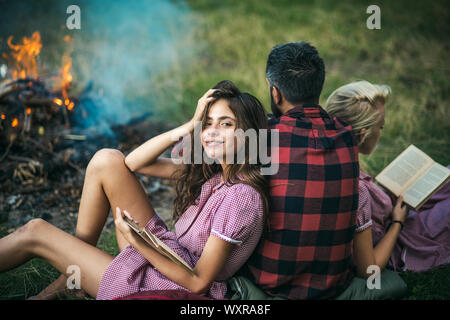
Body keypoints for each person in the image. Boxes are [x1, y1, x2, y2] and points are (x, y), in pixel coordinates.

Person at [0, 80, 270, 300]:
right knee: (107, 160)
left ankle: (76, 273)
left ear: (248, 134)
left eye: (226, 124)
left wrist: (141, 244)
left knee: (35, 231)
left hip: (168, 286)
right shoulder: (215, 172)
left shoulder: (241, 198)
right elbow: (134, 163)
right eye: (207, 123)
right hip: (165, 253)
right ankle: (71, 277)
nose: (211, 131)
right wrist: (188, 126)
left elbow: (198, 283)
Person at [239, 42, 360, 300]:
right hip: (333, 285)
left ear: (275, 93)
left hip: (269, 284)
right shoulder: (348, 135)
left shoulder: (262, 139)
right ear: (318, 86)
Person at [324, 81, 449, 296]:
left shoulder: (340, 154)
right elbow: (369, 269)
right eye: (380, 127)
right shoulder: (356, 191)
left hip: (393, 215)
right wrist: (398, 221)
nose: (381, 133)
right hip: (399, 242)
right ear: (362, 133)